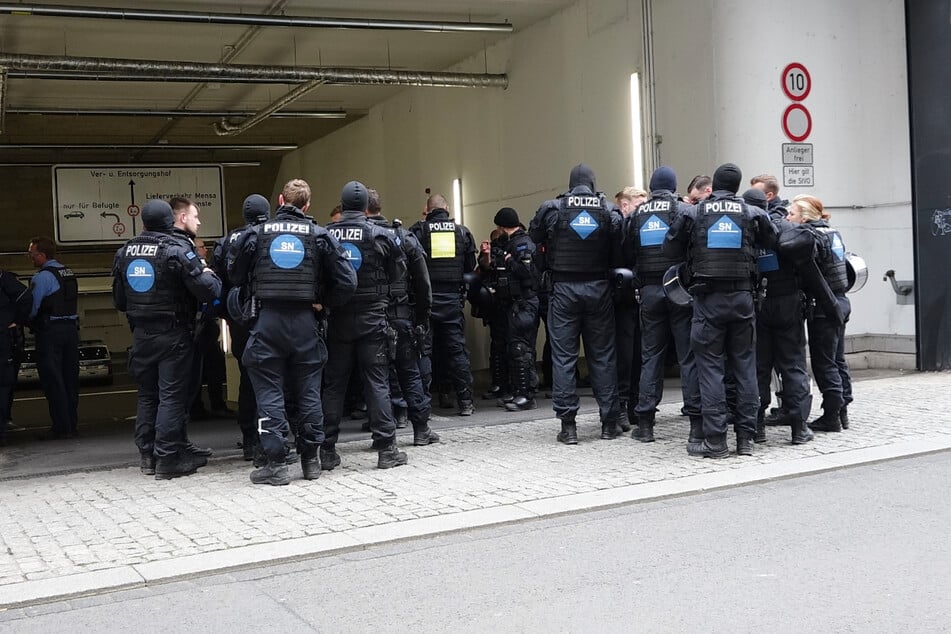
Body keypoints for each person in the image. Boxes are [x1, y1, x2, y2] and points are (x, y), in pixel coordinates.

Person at [229, 178, 357, 485]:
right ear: (307, 206)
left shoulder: (256, 234)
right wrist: (323, 303)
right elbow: (348, 281)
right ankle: (310, 461)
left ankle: (276, 464)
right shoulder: (320, 235)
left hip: (268, 320)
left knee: (270, 390)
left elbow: (234, 274)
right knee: (309, 391)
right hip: (305, 322)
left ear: (282, 202)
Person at [663, 163, 778, 458]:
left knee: (710, 369)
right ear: (738, 185)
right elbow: (774, 240)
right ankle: (745, 439)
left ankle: (715, 441)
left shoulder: (694, 212)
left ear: (714, 185)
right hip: (743, 299)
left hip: (708, 300)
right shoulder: (753, 212)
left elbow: (669, 248)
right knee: (744, 367)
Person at [112, 200, 222, 478]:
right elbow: (208, 291)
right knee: (172, 396)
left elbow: (120, 300)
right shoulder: (175, 250)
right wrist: (209, 274)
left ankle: (147, 456)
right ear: (171, 221)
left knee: (148, 395)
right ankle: (169, 458)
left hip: (141, 335)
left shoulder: (124, 252)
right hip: (173, 333)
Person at [530, 164, 624, 444]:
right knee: (603, 356)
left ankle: (568, 427)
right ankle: (609, 423)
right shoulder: (608, 210)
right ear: (593, 184)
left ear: (571, 184)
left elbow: (534, 242)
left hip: (563, 290)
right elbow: (619, 253)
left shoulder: (552, 208)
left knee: (563, 357)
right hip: (598, 289)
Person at [321, 181, 409, 470]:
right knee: (377, 383)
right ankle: (386, 449)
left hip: (338, 319)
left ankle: (327, 450)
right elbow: (398, 272)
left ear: (343, 205)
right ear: (365, 207)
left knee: (334, 386)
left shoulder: (326, 233)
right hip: (373, 317)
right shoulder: (380, 234)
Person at [625, 167, 701, 443]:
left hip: (649, 291)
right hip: (679, 289)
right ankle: (695, 423)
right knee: (688, 357)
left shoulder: (637, 215)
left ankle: (645, 424)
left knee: (651, 357)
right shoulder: (684, 211)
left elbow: (626, 250)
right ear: (673, 186)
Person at [365, 187, 439, 445]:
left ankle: (383, 435)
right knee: (410, 373)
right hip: (402, 317)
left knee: (377, 378)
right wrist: (422, 316)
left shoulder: (358, 238)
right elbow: (423, 283)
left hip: (371, 318)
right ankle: (421, 429)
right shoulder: (403, 236)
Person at [743, 187, 815, 445]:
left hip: (757, 306)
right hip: (787, 303)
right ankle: (799, 428)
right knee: (793, 365)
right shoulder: (784, 229)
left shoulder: (745, 231)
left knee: (758, 368)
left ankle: (758, 426)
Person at [786, 194, 852, 433]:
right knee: (838, 359)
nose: (788, 218)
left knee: (825, 364)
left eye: (791, 214)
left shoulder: (811, 237)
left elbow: (808, 272)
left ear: (804, 217)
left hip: (824, 306)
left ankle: (831, 416)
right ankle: (842, 411)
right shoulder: (832, 232)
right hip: (840, 301)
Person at [408, 194, 478, 415]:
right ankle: (466, 401)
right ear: (447, 208)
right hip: (452, 301)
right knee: (457, 352)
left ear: (427, 210)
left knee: (424, 352)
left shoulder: (418, 231)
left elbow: (410, 266)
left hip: (426, 301)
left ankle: (423, 405)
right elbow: (470, 266)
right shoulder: (462, 232)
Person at [214, 193, 271, 461]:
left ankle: (250, 439)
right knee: (274, 379)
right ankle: (271, 438)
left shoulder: (226, 241)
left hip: (239, 321)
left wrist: (227, 314)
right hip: (270, 317)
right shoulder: (272, 234)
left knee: (248, 379)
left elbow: (218, 284)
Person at [481, 207, 540, 411]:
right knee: (512, 349)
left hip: (525, 302)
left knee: (521, 349)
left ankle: (526, 395)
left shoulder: (523, 243)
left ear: (502, 225)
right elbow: (488, 267)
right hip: (511, 304)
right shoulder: (505, 243)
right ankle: (517, 391)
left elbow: (526, 271)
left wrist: (510, 261)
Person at [27, 236, 81, 440]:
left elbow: (33, 309)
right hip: (70, 331)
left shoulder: (42, 277)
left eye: (32, 254)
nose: (30, 258)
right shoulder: (68, 273)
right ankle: (71, 424)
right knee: (70, 380)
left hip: (51, 333)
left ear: (42, 255)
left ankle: (61, 426)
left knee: (53, 380)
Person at [613, 186, 649, 433]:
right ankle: (622, 406)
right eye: (638, 206)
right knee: (623, 357)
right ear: (625, 205)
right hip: (622, 301)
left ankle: (637, 404)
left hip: (643, 299)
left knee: (641, 355)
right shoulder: (616, 228)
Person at [190, 237, 233, 420]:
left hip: (207, 325)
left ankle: (213, 405)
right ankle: (197, 407)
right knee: (196, 370)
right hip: (198, 326)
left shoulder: (205, 268)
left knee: (213, 367)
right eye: (201, 247)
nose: (205, 250)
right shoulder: (195, 269)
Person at [0, 268, 31, 446]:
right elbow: (26, 297)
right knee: (3, 387)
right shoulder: (4, 278)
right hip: (3, 339)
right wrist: (15, 321)